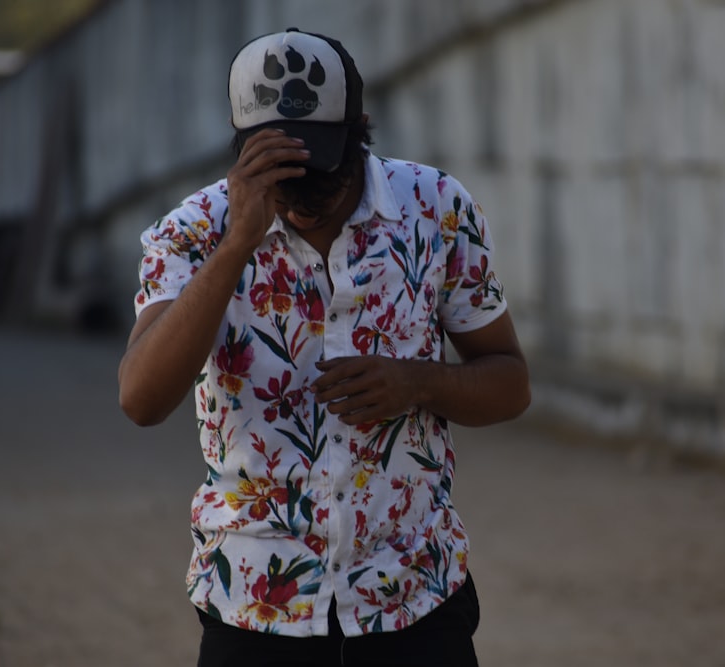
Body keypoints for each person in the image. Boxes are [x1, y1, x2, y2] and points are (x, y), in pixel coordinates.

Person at [118, 27, 530, 667]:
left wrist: (420, 383)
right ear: (242, 150)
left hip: (414, 597)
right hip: (255, 607)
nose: (305, 204)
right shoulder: (192, 232)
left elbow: (510, 383)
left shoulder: (437, 210)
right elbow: (140, 399)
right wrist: (236, 246)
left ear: (362, 128)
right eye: (285, 183)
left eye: (323, 178)